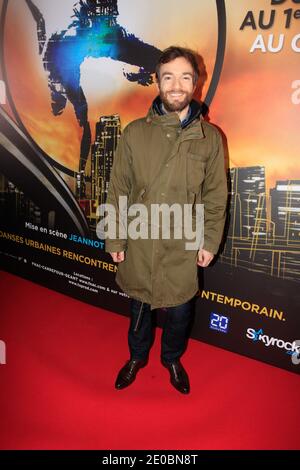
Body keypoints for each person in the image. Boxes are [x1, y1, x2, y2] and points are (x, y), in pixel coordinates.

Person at [105, 46, 228, 394]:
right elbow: (118, 190)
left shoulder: (211, 139)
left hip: (183, 248)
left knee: (179, 315)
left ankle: (171, 359)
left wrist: (209, 242)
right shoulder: (134, 133)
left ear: (196, 83)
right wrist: (114, 239)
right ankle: (136, 358)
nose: (176, 85)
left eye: (185, 77)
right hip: (142, 243)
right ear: (157, 81)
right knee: (139, 309)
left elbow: (216, 196)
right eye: (169, 77)